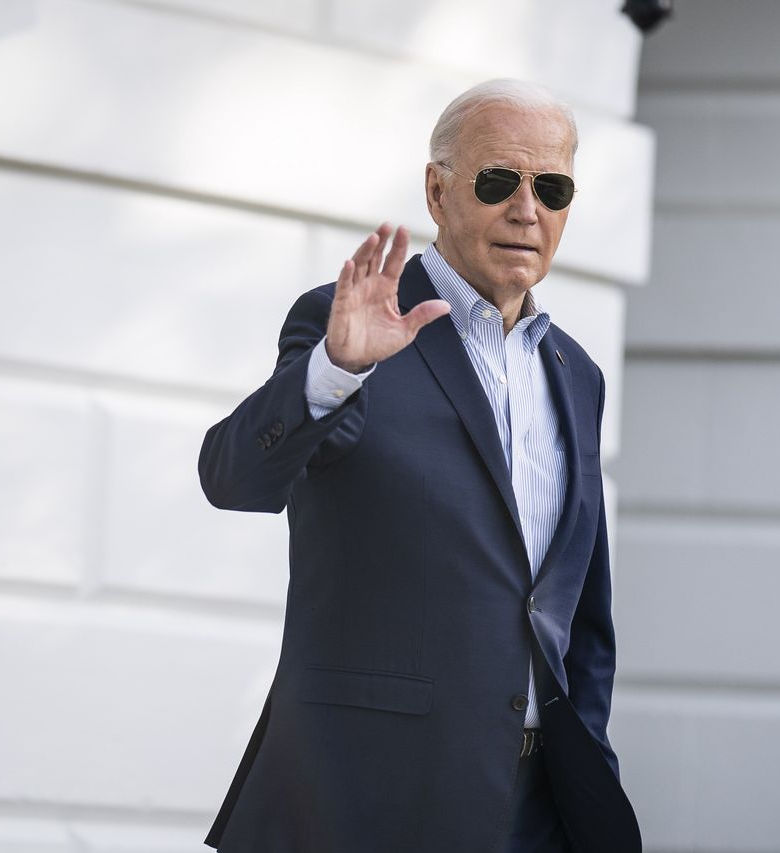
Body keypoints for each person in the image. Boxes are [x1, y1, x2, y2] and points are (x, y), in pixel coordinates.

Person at [197, 79, 641, 853]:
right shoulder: (355, 326)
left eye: (553, 187)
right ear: (437, 190)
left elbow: (579, 612)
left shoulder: (579, 374)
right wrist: (335, 370)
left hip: (541, 810)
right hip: (368, 801)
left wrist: (587, 754)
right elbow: (233, 476)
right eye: (498, 180)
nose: (526, 209)